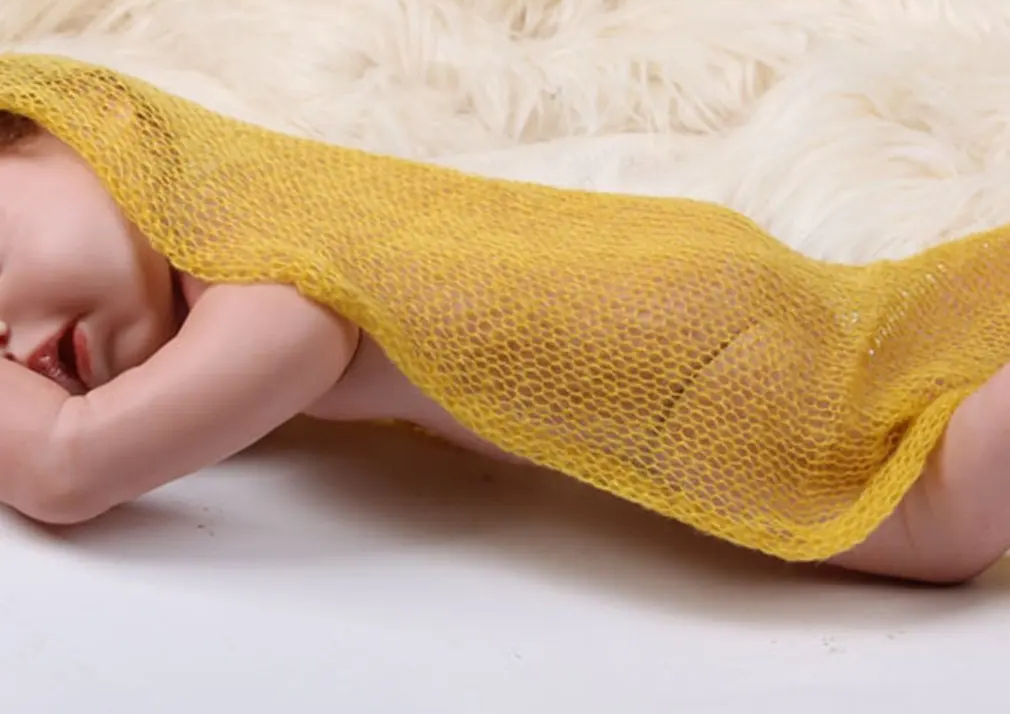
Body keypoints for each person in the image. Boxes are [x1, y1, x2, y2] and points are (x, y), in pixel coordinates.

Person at [0, 56, 1006, 588]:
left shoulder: (268, 282)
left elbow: (68, 464)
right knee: (911, 361)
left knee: (929, 510)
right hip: (680, 278)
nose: (10, 346)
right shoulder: (265, 230)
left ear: (81, 130)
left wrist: (50, 437)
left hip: (685, 347)